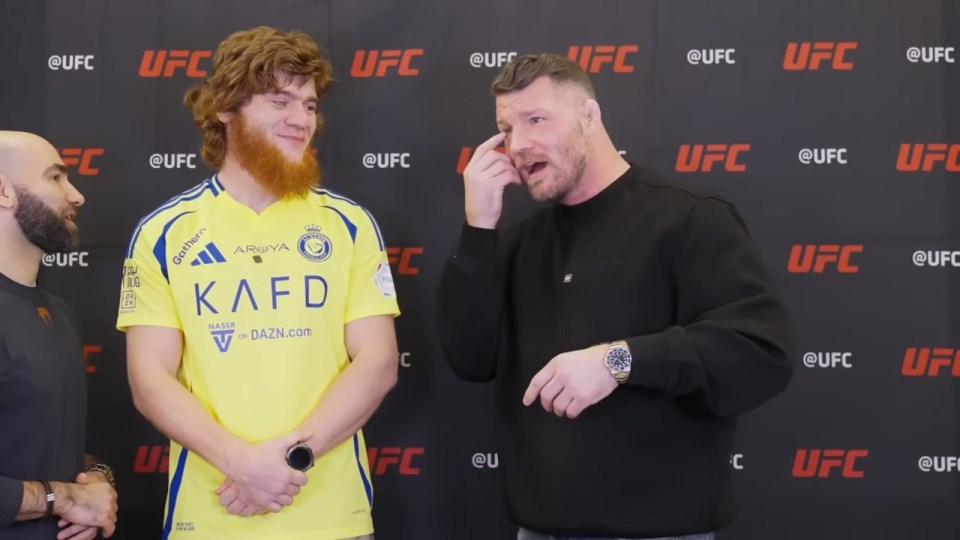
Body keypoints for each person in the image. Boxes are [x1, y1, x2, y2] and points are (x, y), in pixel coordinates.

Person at [438, 53, 795, 540]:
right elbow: (470, 358)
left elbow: (760, 353)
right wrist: (478, 229)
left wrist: (619, 361)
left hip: (660, 531)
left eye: (536, 119)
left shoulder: (688, 217)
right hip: (539, 529)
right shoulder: (516, 243)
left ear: (590, 116)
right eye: (506, 129)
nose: (518, 145)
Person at [117, 27, 400, 540]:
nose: (302, 121)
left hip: (332, 519)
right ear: (225, 108)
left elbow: (378, 364)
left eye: (310, 106)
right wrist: (242, 464)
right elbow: (149, 380)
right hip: (208, 517)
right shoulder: (163, 233)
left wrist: (289, 461)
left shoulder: (349, 224)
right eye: (280, 101)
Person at [0, 131, 118, 540]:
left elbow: (46, 447)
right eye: (55, 178)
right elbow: (60, 492)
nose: (77, 195)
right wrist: (62, 499)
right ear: (4, 191)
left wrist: (96, 482)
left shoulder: (60, 314)